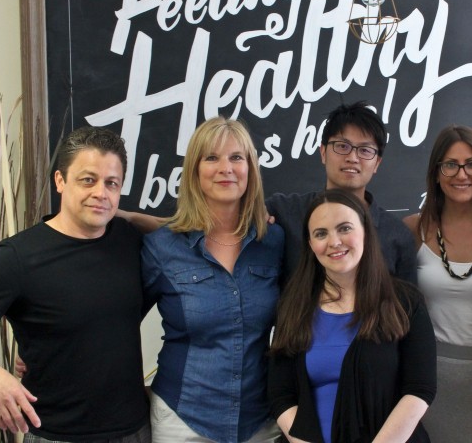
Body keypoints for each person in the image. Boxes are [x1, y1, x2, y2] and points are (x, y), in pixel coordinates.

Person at [0, 127, 150, 442]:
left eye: (111, 183)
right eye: (88, 180)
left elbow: (187, 229)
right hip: (55, 434)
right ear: (60, 181)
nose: (100, 193)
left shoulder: (130, 241)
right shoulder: (18, 257)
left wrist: (128, 216)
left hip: (135, 431)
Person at [140, 117, 284, 442]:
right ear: (194, 170)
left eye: (236, 157)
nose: (226, 168)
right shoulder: (162, 247)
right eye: (212, 158)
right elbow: (116, 322)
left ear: (250, 168)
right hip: (183, 420)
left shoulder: (274, 241)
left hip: (260, 421)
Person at [268, 189, 437, 443]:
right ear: (311, 244)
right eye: (321, 233)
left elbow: (419, 389)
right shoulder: (293, 306)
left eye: (344, 228)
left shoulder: (405, 302)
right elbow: (281, 395)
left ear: (366, 232)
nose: (334, 242)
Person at [403, 125, 472, 443]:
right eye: (450, 164)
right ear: (436, 173)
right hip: (426, 380)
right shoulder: (413, 230)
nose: (462, 174)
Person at [266, 101, 417, 284]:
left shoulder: (397, 235)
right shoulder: (285, 211)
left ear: (377, 163)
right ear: (323, 152)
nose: (352, 158)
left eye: (365, 150)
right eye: (342, 146)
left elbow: (408, 300)